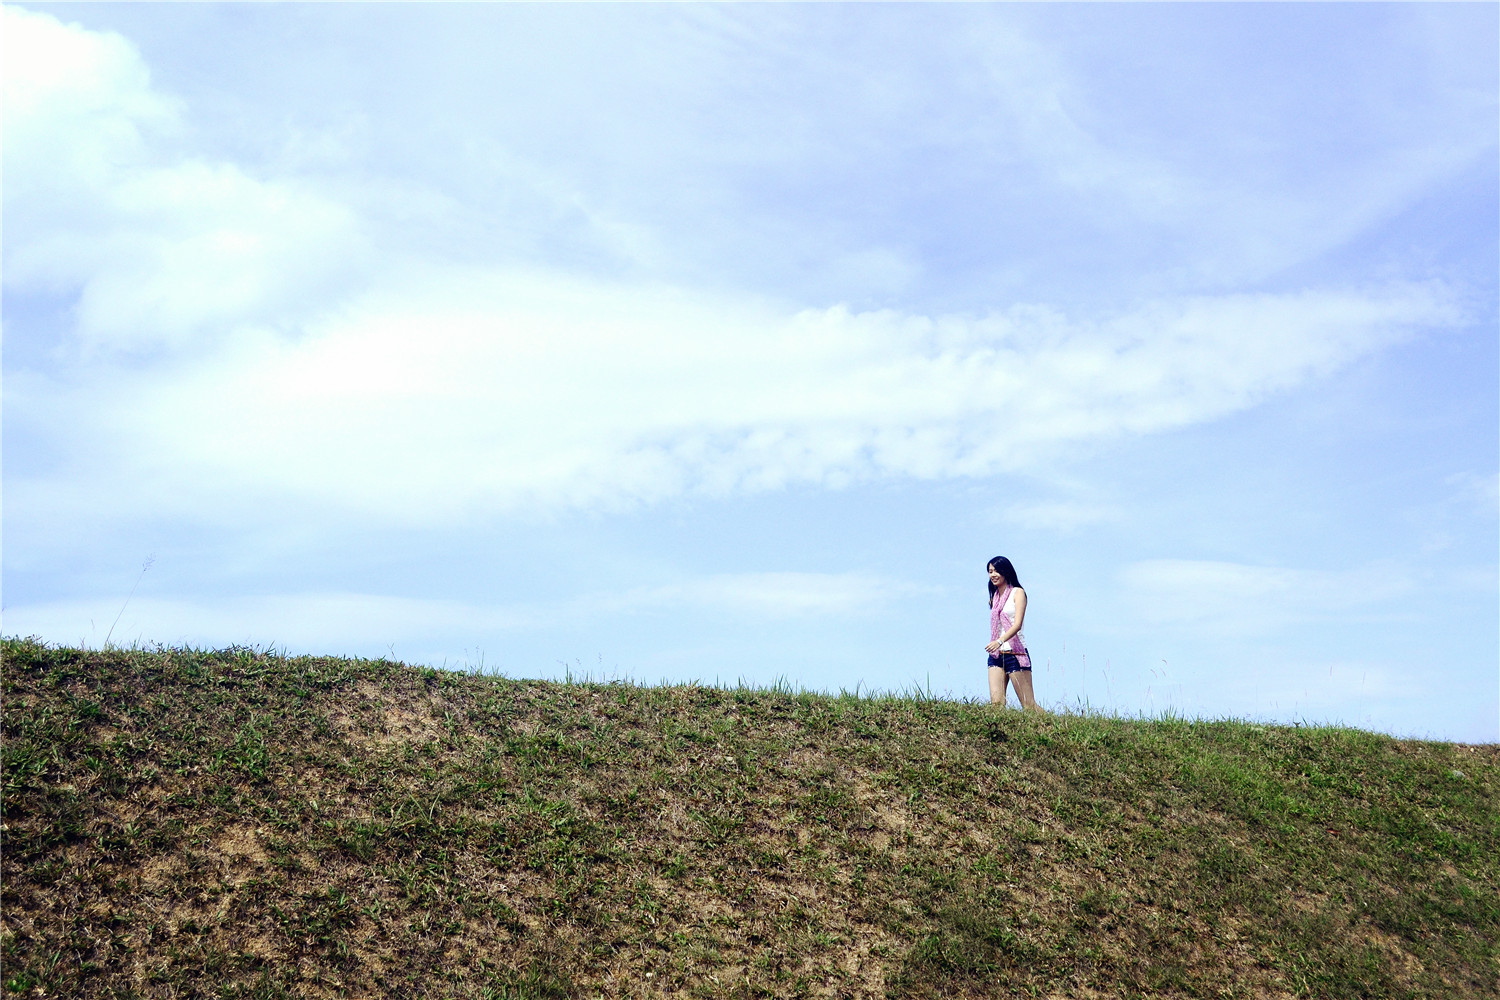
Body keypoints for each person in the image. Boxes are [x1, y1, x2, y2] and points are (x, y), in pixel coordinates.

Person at [985, 556, 1037, 710]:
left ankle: (1054, 724)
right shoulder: (994, 598)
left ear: (1006, 571)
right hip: (996, 655)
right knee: (996, 705)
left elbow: (1017, 625)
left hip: (1015, 653)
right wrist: (996, 644)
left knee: (1029, 706)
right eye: (990, 571)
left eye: (996, 571)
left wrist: (999, 641)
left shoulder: (1018, 592)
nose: (993, 575)